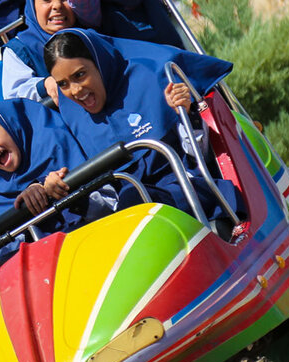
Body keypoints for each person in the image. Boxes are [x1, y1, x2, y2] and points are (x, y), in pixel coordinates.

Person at [43, 29, 236, 219]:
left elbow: (200, 155)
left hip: (188, 190)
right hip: (137, 214)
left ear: (100, 64)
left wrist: (185, 112)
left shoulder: (153, 81)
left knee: (133, 200)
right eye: (63, 84)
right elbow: (107, 202)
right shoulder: (73, 119)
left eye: (80, 75)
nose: (75, 91)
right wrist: (64, 189)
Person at [0, 100, 115, 269]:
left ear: (10, 125)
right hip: (47, 266)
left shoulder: (51, 139)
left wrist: (60, 190)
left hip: (102, 237)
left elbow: (111, 203)